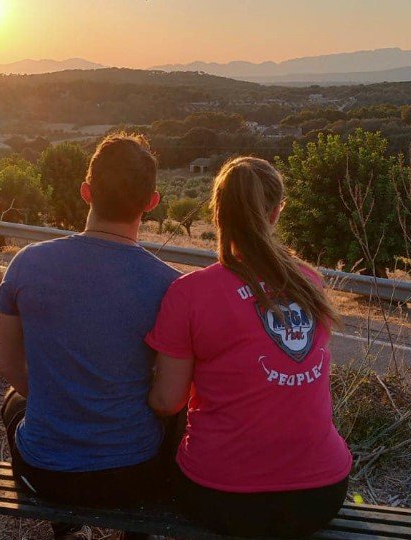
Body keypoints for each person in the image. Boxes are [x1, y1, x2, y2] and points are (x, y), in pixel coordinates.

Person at [146, 156, 353, 538]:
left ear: (216, 214)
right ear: (276, 213)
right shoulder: (311, 282)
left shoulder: (189, 293)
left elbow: (166, 402)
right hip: (322, 494)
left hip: (222, 498)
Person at [0, 133, 180, 540]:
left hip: (46, 474)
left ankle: (64, 524)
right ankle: (138, 533)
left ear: (85, 192)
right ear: (151, 202)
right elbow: (170, 397)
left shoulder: (26, 265)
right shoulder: (170, 287)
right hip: (134, 475)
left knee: (14, 402)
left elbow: (7, 364)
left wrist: (52, 396)